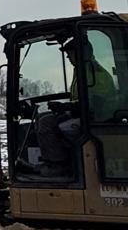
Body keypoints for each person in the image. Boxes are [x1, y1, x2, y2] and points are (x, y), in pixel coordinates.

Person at [36, 37, 118, 176]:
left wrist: (66, 107)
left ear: (81, 53)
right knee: (43, 118)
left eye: (70, 54)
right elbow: (80, 99)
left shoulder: (95, 74)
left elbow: (94, 104)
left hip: (95, 119)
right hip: (83, 114)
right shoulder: (81, 70)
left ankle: (59, 164)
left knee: (46, 124)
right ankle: (54, 161)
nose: (68, 57)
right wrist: (64, 107)